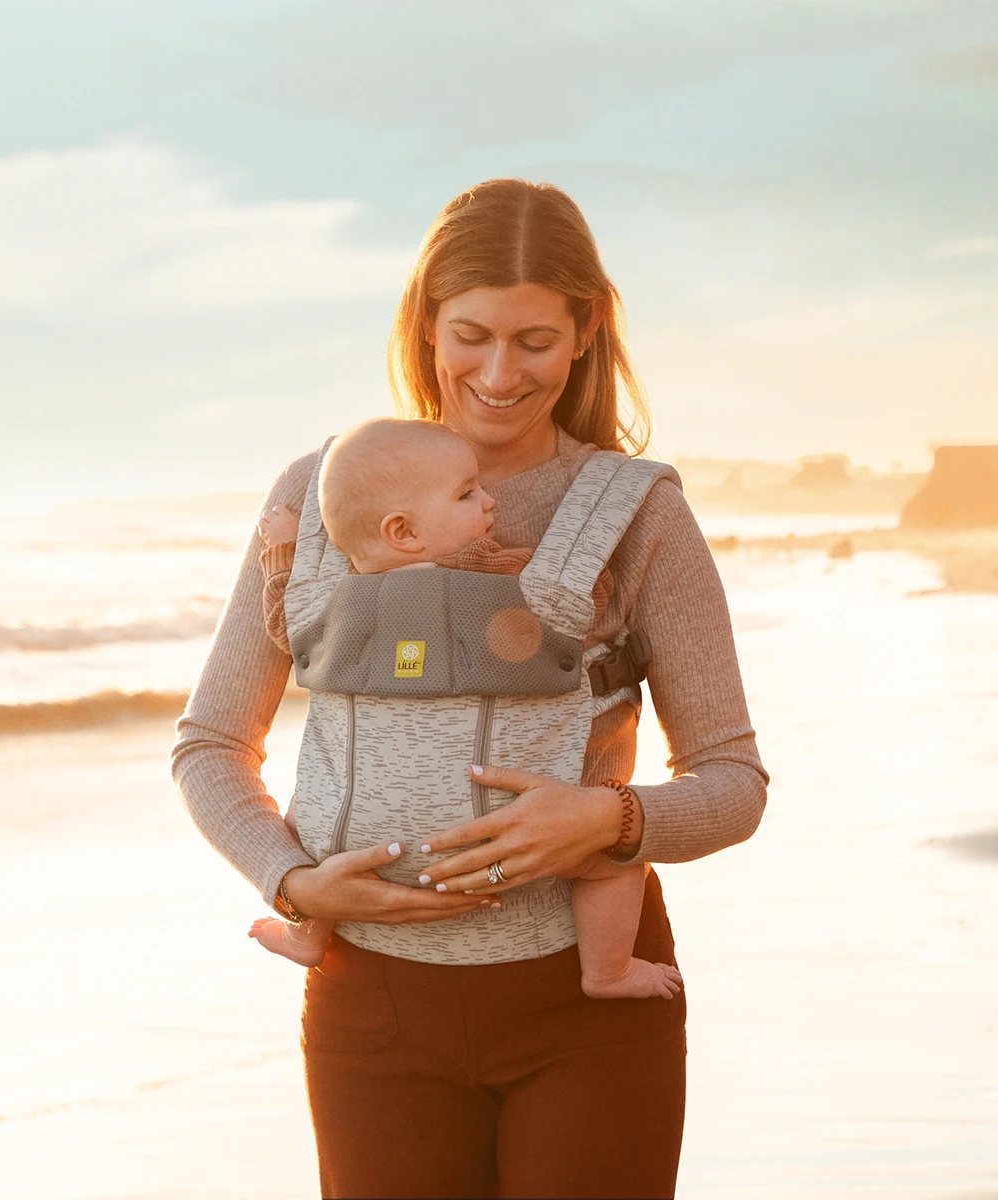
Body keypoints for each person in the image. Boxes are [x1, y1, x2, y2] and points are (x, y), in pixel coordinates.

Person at [172, 178, 768, 1199]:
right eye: (472, 335)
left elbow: (732, 782)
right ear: (426, 327)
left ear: (584, 331)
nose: (498, 373)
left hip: (584, 1017)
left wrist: (606, 821)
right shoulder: (318, 498)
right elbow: (212, 744)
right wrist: (292, 882)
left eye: (535, 340)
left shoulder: (638, 515)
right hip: (373, 1015)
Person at [246, 416, 682, 1001]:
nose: (489, 501)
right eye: (467, 494)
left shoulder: (334, 606)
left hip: (364, 837)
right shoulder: (487, 567)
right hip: (499, 831)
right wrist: (583, 566)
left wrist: (285, 553)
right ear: (404, 531)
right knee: (611, 864)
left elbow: (283, 622)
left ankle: (306, 936)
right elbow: (569, 604)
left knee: (311, 813)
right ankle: (608, 971)